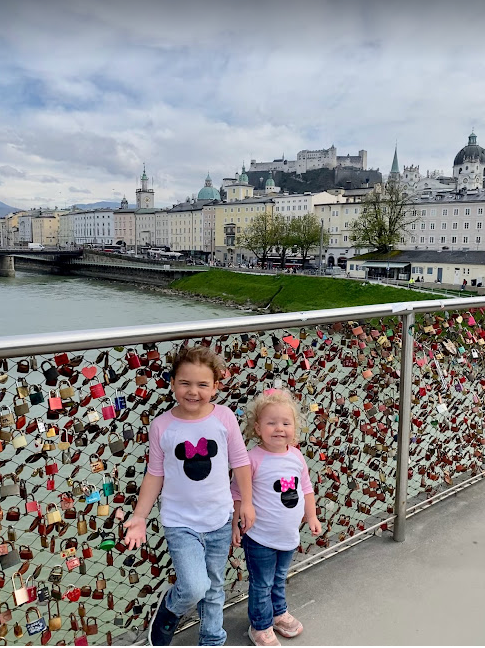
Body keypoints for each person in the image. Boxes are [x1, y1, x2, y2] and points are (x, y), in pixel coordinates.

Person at [124, 345, 255, 646]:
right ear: (172, 383)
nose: (193, 391)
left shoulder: (224, 418)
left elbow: (240, 462)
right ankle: (170, 608)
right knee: (195, 586)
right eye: (185, 383)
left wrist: (246, 503)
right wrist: (139, 516)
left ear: (216, 387)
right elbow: (154, 474)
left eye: (202, 384)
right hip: (180, 522)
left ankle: (212, 639)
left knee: (214, 586)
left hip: (220, 519)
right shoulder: (162, 425)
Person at [231, 389, 322, 647]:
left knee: (279, 578)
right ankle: (260, 626)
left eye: (286, 423)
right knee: (262, 584)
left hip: (288, 536)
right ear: (258, 428)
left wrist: (312, 516)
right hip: (259, 536)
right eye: (271, 423)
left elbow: (306, 488)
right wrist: (235, 524)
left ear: (295, 427)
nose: (279, 428)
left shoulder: (296, 456)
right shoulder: (251, 459)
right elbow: (237, 493)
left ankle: (278, 613)